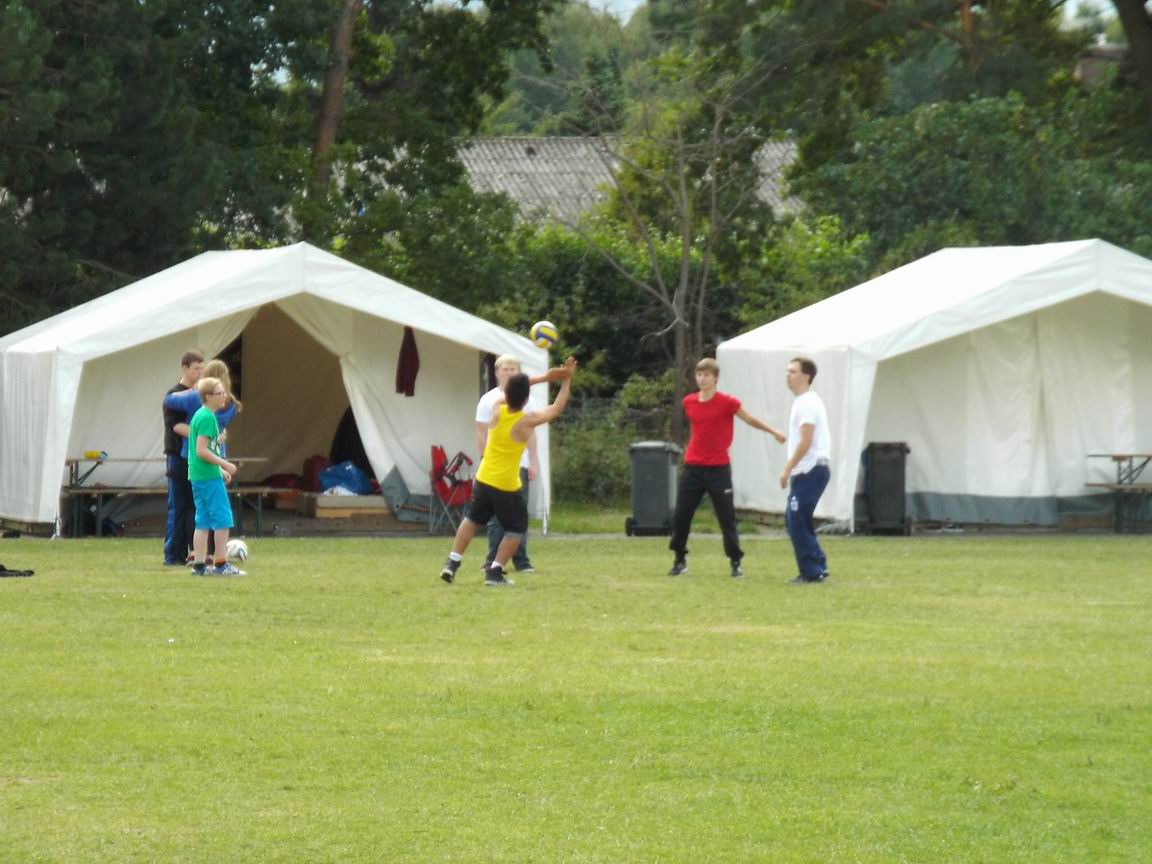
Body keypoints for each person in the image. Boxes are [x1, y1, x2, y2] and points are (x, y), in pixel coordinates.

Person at [440, 357, 577, 587]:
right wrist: (566, 380)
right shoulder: (526, 421)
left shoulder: (497, 408)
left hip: (484, 477)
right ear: (526, 399)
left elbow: (514, 389)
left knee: (472, 519)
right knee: (516, 529)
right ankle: (494, 572)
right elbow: (556, 408)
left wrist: (544, 377)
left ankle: (452, 562)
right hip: (506, 484)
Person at [669, 357, 785, 579]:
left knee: (726, 517)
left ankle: (735, 561)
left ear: (715, 378)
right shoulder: (689, 402)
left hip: (718, 469)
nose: (702, 379)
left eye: (706, 375)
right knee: (682, 515)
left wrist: (773, 431)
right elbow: (693, 429)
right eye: (699, 375)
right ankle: (679, 560)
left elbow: (750, 419)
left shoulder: (727, 402)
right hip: (693, 468)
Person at [475, 354, 541, 573]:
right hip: (496, 466)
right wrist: (485, 458)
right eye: (506, 369)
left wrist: (533, 461)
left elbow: (531, 433)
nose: (510, 373)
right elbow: (481, 432)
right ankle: (492, 561)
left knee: (519, 514)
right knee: (496, 517)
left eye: (514, 369)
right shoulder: (488, 400)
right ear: (497, 373)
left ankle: (521, 561)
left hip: (519, 464)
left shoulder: (527, 399)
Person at [779, 357, 832, 584]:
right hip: (806, 471)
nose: (788, 375)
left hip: (811, 469)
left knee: (796, 518)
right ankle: (818, 563)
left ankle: (811, 572)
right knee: (796, 518)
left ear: (806, 376)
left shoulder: (807, 403)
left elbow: (806, 440)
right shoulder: (802, 401)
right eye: (788, 371)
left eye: (793, 371)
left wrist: (787, 468)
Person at [187, 377, 245, 577]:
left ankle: (199, 566)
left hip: (199, 475)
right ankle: (221, 564)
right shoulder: (207, 418)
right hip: (207, 477)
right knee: (223, 519)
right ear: (208, 396)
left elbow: (205, 450)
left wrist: (219, 470)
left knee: (202, 521)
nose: (224, 397)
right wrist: (225, 464)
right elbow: (201, 450)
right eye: (219, 393)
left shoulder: (200, 415)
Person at [163, 351, 203, 566]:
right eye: (196, 368)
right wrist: (204, 435)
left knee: (193, 506)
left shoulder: (199, 394)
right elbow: (176, 426)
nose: (200, 372)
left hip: (195, 456)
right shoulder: (175, 395)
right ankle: (172, 554)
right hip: (177, 455)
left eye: (202, 368)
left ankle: (194, 551)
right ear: (185, 368)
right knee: (178, 506)